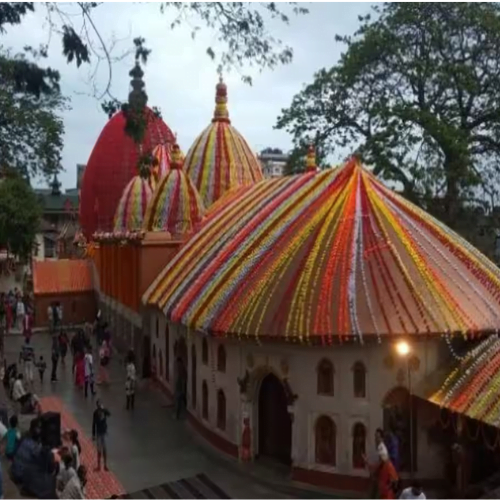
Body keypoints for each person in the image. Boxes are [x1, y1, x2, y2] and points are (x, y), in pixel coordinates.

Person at [92, 400, 110, 471]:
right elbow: (93, 424)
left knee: (104, 449)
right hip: (99, 433)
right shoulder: (95, 413)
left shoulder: (104, 411)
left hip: (104, 432)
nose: (100, 405)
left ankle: (105, 465)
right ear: (97, 405)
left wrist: (104, 409)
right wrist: (93, 434)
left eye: (101, 404)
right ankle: (99, 465)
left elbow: (109, 414)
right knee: (99, 450)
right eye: (99, 404)